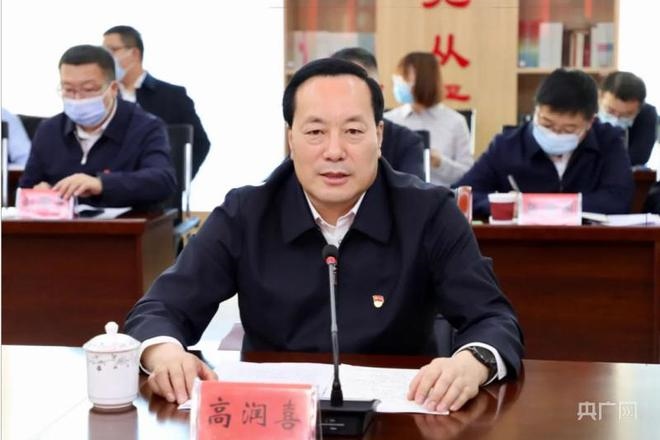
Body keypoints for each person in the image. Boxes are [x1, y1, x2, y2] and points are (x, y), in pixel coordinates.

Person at [124, 58, 523, 413]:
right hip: (277, 419)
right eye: (315, 132)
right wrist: (164, 353)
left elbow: (492, 318)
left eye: (353, 131)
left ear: (379, 136)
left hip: (401, 419)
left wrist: (472, 363)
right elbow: (160, 309)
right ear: (291, 138)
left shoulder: (429, 212)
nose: (334, 151)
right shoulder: (247, 212)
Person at [455, 68, 634, 218]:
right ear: (536, 111)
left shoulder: (609, 142)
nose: (555, 133)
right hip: (522, 244)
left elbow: (619, 199)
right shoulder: (507, 146)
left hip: (589, 244)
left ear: (590, 122)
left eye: (569, 129)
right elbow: (461, 195)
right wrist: (505, 206)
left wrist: (539, 206)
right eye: (547, 124)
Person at [19, 45, 176, 208]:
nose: (77, 98)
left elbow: (162, 181)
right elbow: (26, 186)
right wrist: (38, 192)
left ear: (113, 89)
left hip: (125, 222)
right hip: (61, 222)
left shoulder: (145, 127)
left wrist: (101, 184)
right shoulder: (49, 130)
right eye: (68, 89)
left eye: (88, 89)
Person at [103, 25, 210, 178]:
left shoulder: (172, 96)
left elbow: (200, 143)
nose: (105, 58)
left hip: (156, 186)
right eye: (103, 52)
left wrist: (175, 181)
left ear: (134, 53)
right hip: (110, 186)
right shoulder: (103, 96)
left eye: (112, 50)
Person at [331, 47, 425, 180]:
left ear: (379, 92)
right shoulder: (314, 137)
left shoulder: (406, 142)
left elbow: (413, 190)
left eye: (357, 90)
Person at [384, 52, 473, 186]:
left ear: (425, 82)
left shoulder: (455, 122)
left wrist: (440, 163)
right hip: (398, 195)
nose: (399, 85)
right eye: (398, 79)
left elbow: (469, 175)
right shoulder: (388, 120)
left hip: (443, 195)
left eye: (406, 79)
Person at [598, 71, 657, 166]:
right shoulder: (585, 110)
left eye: (625, 115)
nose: (616, 119)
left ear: (639, 109)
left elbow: (639, 157)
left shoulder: (646, 114)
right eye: (610, 111)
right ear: (600, 97)